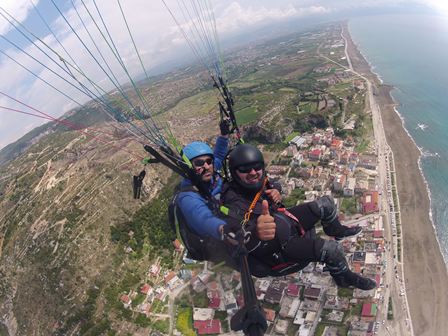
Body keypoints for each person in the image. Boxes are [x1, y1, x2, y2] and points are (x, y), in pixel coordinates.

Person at [220, 144, 376, 290]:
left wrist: (275, 190)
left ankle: (335, 230)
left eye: (256, 167)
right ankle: (343, 278)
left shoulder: (257, 181)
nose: (253, 172)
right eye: (245, 169)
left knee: (326, 204)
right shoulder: (233, 201)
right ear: (235, 173)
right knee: (332, 250)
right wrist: (255, 233)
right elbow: (234, 237)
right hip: (279, 248)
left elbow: (271, 183)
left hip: (285, 223)